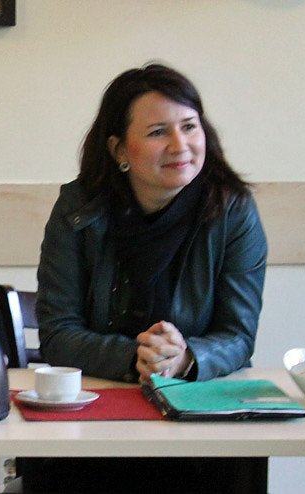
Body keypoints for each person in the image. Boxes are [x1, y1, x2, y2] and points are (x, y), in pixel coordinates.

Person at [28, 63, 268, 493]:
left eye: (189, 126)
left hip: (204, 428)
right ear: (119, 149)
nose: (180, 145)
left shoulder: (232, 210)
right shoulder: (78, 209)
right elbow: (58, 333)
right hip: (92, 428)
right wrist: (135, 358)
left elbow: (238, 334)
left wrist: (186, 358)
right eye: (158, 132)